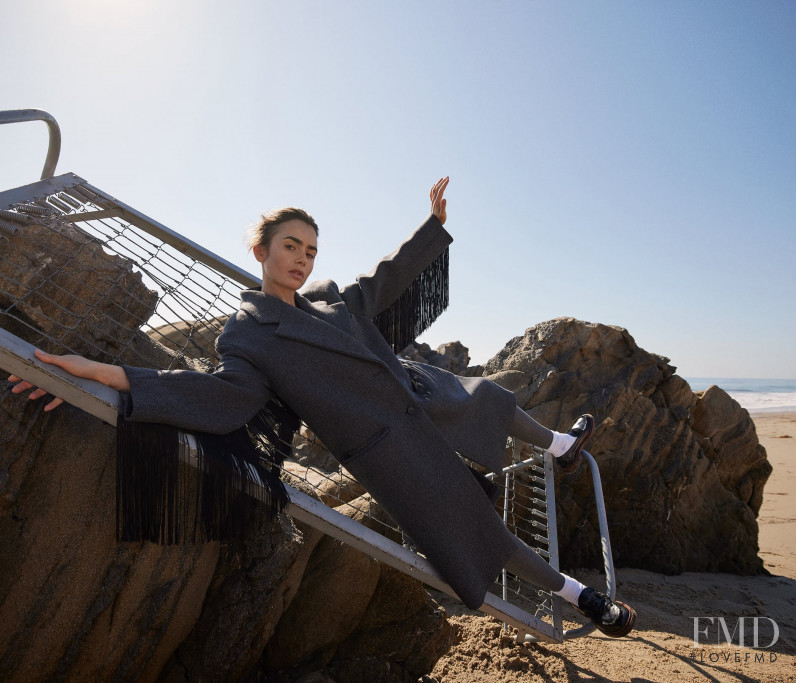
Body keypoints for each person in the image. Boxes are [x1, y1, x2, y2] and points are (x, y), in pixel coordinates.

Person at [8, 177, 635, 637]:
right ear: (260, 250)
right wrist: (106, 375)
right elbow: (222, 398)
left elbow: (384, 282)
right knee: (481, 533)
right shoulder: (247, 334)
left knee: (489, 399)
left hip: (418, 393)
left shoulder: (332, 302)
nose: (303, 260)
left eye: (310, 250)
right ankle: (587, 600)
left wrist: (432, 229)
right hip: (390, 453)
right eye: (291, 247)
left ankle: (560, 446)